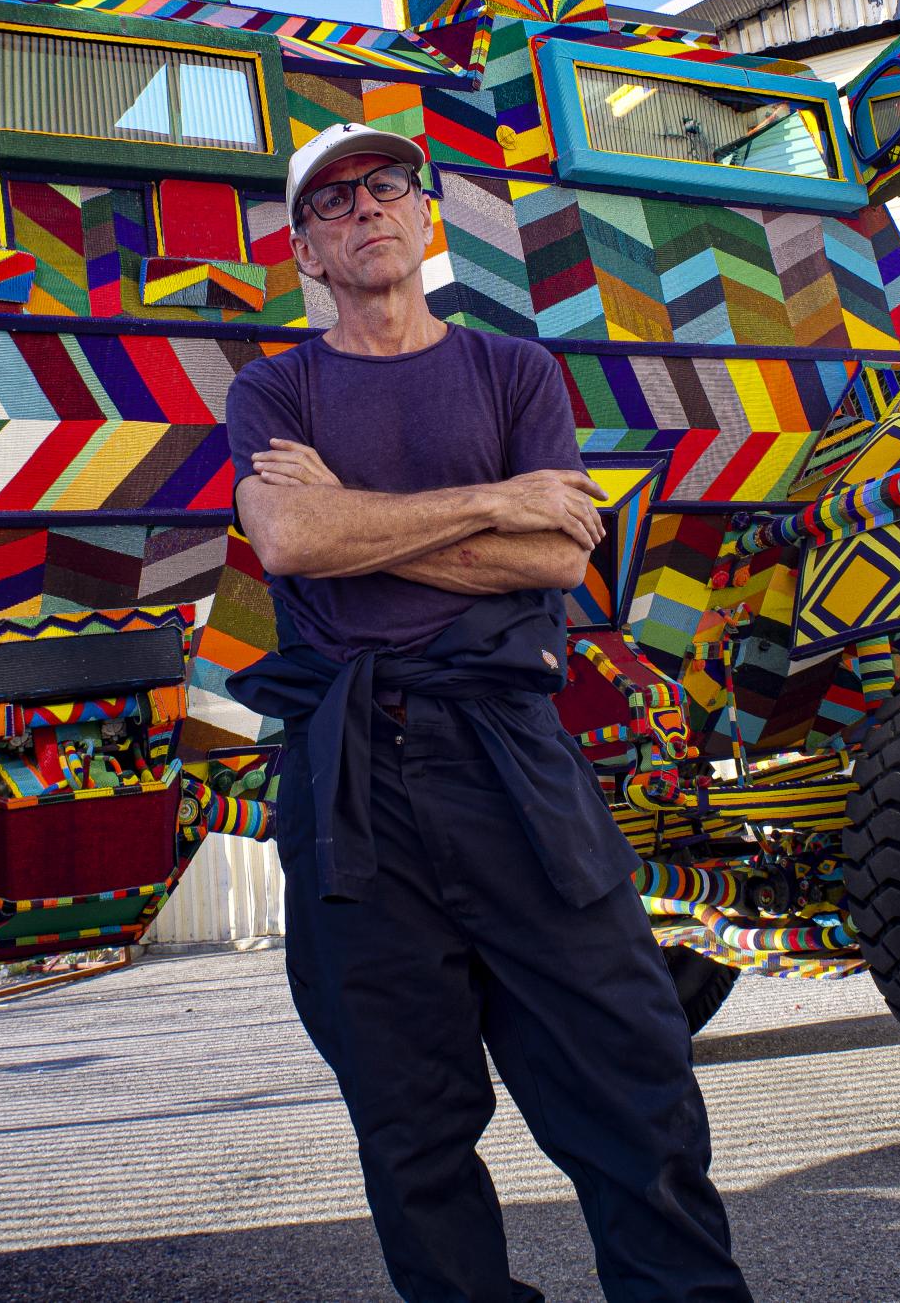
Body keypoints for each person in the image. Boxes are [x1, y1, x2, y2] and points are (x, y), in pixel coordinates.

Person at [225, 122, 753, 1303]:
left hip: (512, 760)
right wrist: (494, 504)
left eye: (385, 186)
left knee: (633, 1082)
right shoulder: (276, 385)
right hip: (353, 782)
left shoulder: (512, 371)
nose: (364, 208)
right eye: (332, 201)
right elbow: (291, 538)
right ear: (304, 250)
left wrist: (369, 532)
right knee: (409, 1129)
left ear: (425, 218)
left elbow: (562, 557)